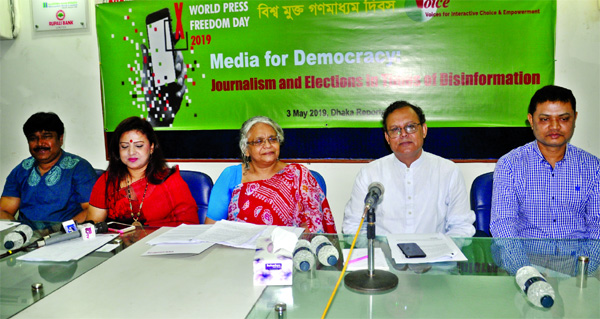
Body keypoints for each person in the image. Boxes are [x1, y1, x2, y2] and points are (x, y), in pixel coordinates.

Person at [343, 101, 475, 236]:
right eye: (395, 130)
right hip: (383, 254)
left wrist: (442, 252)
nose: (403, 134)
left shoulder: (449, 172)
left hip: (436, 255)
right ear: (387, 138)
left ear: (424, 130)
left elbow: (461, 227)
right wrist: (378, 250)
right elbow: (353, 227)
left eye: (410, 127)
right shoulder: (369, 174)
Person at [490, 85, 600, 239]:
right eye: (545, 119)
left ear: (574, 118)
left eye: (563, 118)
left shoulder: (593, 167)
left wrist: (586, 263)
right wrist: (522, 264)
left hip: (577, 258)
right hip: (527, 256)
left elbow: (597, 226)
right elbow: (503, 226)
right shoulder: (510, 165)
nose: (554, 126)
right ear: (531, 120)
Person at [206, 116, 337, 233]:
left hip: (289, 252)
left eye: (272, 139)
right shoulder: (230, 175)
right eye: (259, 141)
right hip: (239, 253)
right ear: (246, 150)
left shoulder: (299, 175)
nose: (267, 145)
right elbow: (211, 228)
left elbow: (313, 226)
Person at [87, 117, 198, 227]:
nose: (131, 152)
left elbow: (189, 227)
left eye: (139, 146)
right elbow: (94, 226)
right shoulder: (108, 181)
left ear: (151, 148)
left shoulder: (169, 181)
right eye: (124, 146)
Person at [0, 112, 97, 223]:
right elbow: (4, 211)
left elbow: (91, 210)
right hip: (26, 236)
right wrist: (17, 233)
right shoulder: (22, 170)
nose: (40, 143)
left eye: (46, 137)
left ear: (60, 139)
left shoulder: (79, 169)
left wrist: (62, 233)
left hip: (66, 236)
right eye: (33, 138)